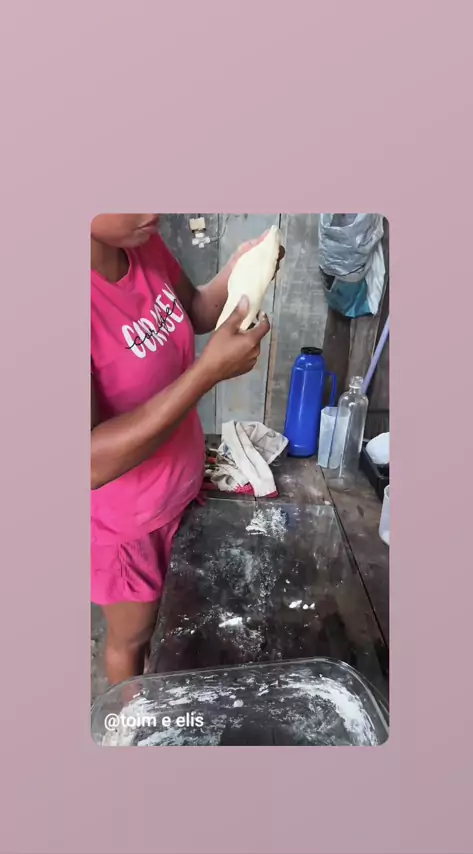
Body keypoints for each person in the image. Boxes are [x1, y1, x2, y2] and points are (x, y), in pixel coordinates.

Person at [91, 214, 282, 685]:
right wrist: (206, 374)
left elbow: (195, 308)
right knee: (133, 642)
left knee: (174, 633)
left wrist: (239, 271)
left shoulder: (141, 242)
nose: (152, 210)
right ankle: (128, 724)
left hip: (180, 493)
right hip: (129, 527)